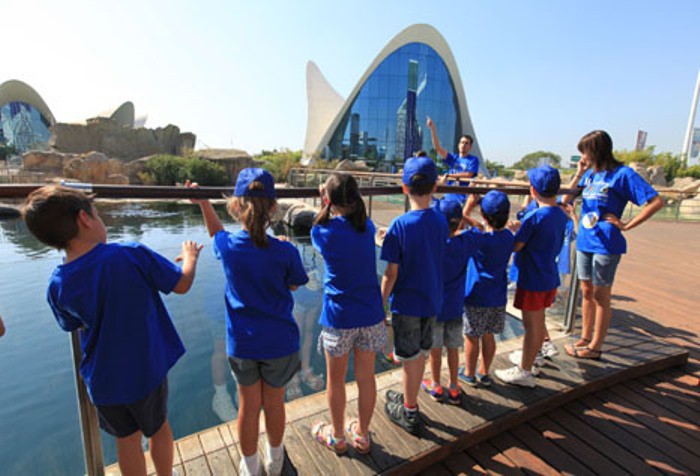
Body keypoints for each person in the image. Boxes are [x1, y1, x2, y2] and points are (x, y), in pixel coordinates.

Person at [21, 185, 202, 476]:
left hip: (104, 382)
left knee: (126, 440)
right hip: (145, 372)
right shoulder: (129, 255)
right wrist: (190, 257)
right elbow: (181, 284)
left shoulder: (57, 284)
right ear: (85, 219)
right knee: (158, 429)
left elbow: (71, 323)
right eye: (98, 214)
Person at [188, 169, 309, 476]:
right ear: (273, 208)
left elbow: (216, 234)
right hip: (280, 343)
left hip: (243, 343)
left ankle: (251, 467)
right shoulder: (286, 250)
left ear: (236, 206)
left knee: (248, 407)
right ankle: (275, 459)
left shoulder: (229, 247)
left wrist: (203, 203)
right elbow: (295, 284)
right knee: (275, 404)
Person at [563, 130, 663, 359]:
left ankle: (596, 347)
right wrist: (579, 173)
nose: (583, 157)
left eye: (585, 152)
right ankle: (585, 337)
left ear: (596, 150)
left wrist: (627, 225)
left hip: (606, 243)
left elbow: (655, 201)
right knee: (586, 291)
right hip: (585, 240)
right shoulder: (590, 175)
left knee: (601, 294)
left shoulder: (622, 174)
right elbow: (566, 200)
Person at [310, 173, 387, 454]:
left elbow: (318, 224)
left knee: (336, 380)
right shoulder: (367, 228)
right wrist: (330, 199)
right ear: (356, 199)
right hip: (370, 315)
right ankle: (363, 435)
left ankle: (338, 437)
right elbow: (359, 222)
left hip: (338, 318)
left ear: (329, 200)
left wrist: (323, 202)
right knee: (366, 378)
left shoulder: (322, 233)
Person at [381, 157, 448, 434]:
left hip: (406, 304)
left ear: (404, 188)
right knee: (419, 354)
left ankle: (409, 410)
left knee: (409, 357)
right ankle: (410, 399)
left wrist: (380, 302)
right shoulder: (441, 221)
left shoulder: (399, 226)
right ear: (434, 187)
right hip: (431, 300)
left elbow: (391, 274)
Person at [495, 166, 568, 388]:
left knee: (531, 326)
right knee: (539, 320)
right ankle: (532, 356)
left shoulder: (534, 217)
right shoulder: (560, 214)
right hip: (548, 276)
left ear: (532, 190)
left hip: (532, 279)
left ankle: (525, 371)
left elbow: (517, 246)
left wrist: (511, 230)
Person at [421, 198, 474, 404]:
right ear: (459, 222)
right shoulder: (465, 242)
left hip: (435, 308)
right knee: (453, 348)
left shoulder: (433, 247)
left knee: (435, 351)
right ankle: (453, 387)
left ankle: (436, 385)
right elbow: (479, 229)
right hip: (454, 308)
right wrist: (466, 212)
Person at [458, 191, 515, 387]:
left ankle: (469, 373)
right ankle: (484, 372)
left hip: (476, 295)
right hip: (497, 295)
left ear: (483, 215)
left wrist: (468, 207)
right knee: (489, 335)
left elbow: (458, 224)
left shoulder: (480, 239)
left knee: (471, 336)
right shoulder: (508, 237)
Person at [426, 116, 480, 204]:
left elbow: (469, 174)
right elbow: (438, 148)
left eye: (466, 143)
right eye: (462, 142)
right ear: (458, 144)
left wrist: (449, 176)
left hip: (462, 197)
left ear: (470, 147)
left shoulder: (473, 160)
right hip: (448, 195)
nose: (463, 145)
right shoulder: (453, 158)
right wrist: (433, 129)